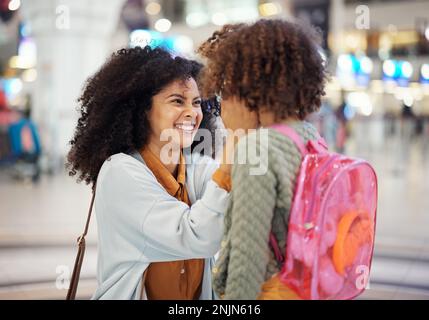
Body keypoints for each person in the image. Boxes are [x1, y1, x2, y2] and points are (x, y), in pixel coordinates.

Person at [67, 45, 235, 299]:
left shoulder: (194, 166)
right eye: (177, 101)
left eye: (197, 102)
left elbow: (236, 200)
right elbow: (197, 235)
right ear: (141, 109)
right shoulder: (119, 172)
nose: (192, 112)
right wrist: (235, 148)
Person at [197, 19, 328, 299]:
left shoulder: (257, 148)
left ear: (243, 84)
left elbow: (246, 261)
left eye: (226, 87)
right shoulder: (308, 136)